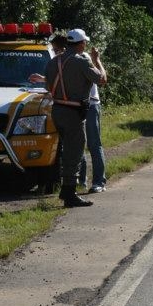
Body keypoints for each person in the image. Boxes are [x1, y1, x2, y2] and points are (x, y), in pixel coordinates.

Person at [45, 28, 107, 207]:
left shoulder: (53, 62)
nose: (85, 44)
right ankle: (69, 194)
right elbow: (101, 79)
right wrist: (98, 61)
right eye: (84, 42)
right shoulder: (81, 61)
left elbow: (48, 86)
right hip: (73, 112)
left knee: (67, 150)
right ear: (80, 44)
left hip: (57, 110)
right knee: (76, 151)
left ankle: (67, 190)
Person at [79, 51, 107, 194]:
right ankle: (81, 182)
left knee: (94, 144)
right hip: (75, 106)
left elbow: (102, 79)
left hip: (91, 105)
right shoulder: (68, 58)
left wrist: (97, 60)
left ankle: (99, 181)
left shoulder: (85, 57)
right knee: (78, 144)